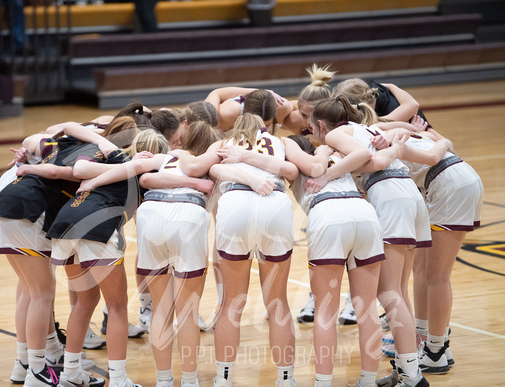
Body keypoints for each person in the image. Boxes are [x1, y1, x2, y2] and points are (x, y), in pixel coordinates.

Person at [305, 96, 433, 387]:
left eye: (311, 127)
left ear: (322, 125)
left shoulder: (338, 135)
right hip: (409, 194)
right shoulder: (369, 127)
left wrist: (327, 176)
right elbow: (401, 131)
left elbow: (366, 157)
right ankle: (408, 370)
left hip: (389, 196)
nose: (312, 133)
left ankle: (413, 376)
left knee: (390, 294)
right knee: (399, 291)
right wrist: (400, 142)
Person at [0, 119, 124, 386]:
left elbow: (36, 138)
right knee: (41, 294)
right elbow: (65, 172)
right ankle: (38, 369)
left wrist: (27, 158)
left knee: (29, 289)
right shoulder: (98, 158)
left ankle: (24, 362)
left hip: (8, 199)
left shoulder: (60, 141)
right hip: (29, 209)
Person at [173, 113, 299, 387]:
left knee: (232, 302)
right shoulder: (278, 141)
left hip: (235, 203)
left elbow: (207, 169)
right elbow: (293, 172)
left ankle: (223, 378)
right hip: (274, 202)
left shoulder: (224, 142)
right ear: (264, 127)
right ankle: (286, 380)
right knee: (278, 302)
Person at [43, 128, 171, 387]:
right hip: (95, 225)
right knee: (116, 305)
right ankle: (119, 380)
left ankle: (70, 374)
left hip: (66, 222)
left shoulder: (114, 158)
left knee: (84, 300)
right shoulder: (148, 175)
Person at [374, 127, 483, 377]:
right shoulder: (393, 128)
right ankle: (432, 342)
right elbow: (444, 140)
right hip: (456, 178)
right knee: (423, 270)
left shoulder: (376, 139)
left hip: (448, 184)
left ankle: (435, 350)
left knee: (437, 276)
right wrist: (442, 139)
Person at [287, 135, 385, 387]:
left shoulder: (295, 163)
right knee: (367, 309)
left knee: (325, 311)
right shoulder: (339, 156)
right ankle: (368, 381)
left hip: (328, 215)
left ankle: (323, 382)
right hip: (364, 213)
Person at [134, 121, 218, 387]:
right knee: (188, 312)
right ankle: (190, 381)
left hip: (151, 215)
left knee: (161, 308)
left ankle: (163, 381)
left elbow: (145, 179)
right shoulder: (214, 165)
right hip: (188, 216)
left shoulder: (167, 156)